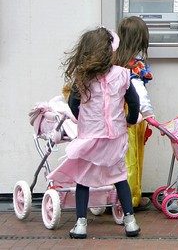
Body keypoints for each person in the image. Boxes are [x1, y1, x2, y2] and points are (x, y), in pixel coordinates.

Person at [48, 27, 141, 238]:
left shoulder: (82, 78)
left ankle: (81, 224)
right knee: (120, 177)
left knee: (83, 180)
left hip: (90, 139)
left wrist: (82, 120)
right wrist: (129, 120)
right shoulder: (122, 74)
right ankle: (130, 222)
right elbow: (134, 103)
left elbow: (73, 105)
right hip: (115, 138)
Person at [114, 15, 155, 211]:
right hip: (132, 117)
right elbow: (139, 94)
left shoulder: (113, 60)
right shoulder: (134, 65)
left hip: (112, 116)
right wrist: (149, 115)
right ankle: (130, 200)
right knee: (131, 160)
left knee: (114, 160)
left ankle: (111, 198)